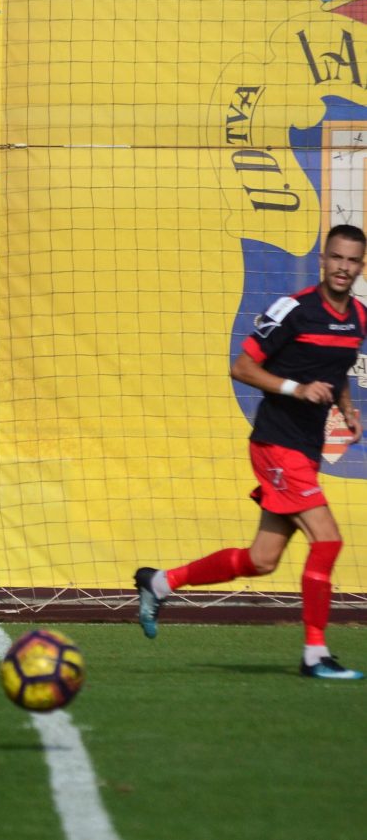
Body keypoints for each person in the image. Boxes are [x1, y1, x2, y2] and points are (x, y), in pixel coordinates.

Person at [135, 223, 367, 681]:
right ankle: (315, 654)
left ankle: (160, 582)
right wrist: (296, 389)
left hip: (304, 449)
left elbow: (336, 368)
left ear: (361, 266)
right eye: (336, 257)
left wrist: (346, 409)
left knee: (262, 560)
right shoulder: (293, 310)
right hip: (277, 443)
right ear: (322, 259)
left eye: (352, 260)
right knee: (328, 540)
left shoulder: (358, 316)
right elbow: (241, 367)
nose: (343, 267)